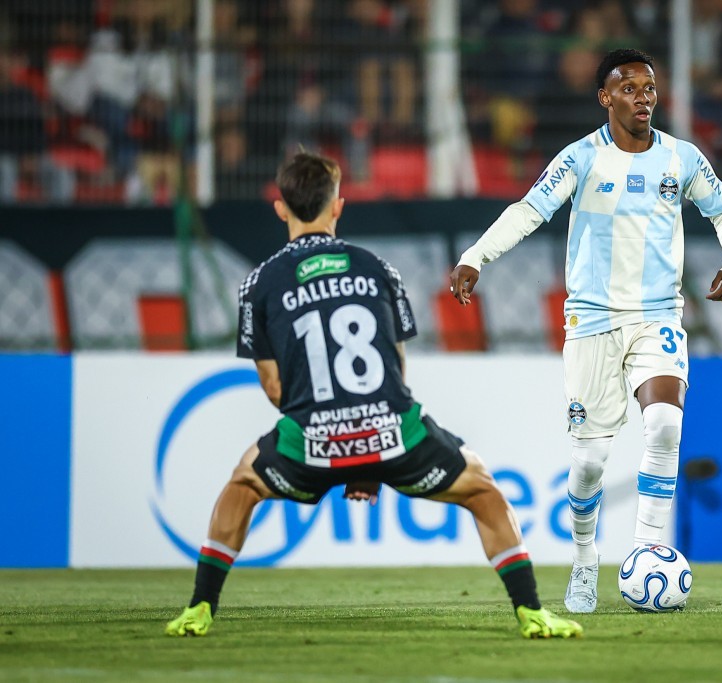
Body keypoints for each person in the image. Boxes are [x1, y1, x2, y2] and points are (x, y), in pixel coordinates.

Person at [165, 152, 582, 640]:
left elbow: (275, 388)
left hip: (311, 437)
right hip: (391, 431)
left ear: (280, 208)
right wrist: (368, 457)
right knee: (483, 491)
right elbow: (395, 372)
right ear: (337, 206)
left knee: (243, 486)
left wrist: (332, 442)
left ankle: (200, 607)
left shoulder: (259, 284)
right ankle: (531, 612)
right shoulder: (378, 269)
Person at [450, 48, 722, 614]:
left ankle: (647, 550)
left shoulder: (682, 158)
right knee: (589, 463)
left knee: (664, 425)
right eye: (629, 88)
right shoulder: (581, 158)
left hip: (657, 316)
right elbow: (528, 211)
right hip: (591, 321)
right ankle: (585, 558)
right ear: (605, 98)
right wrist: (475, 256)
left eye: (649, 88)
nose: (643, 98)